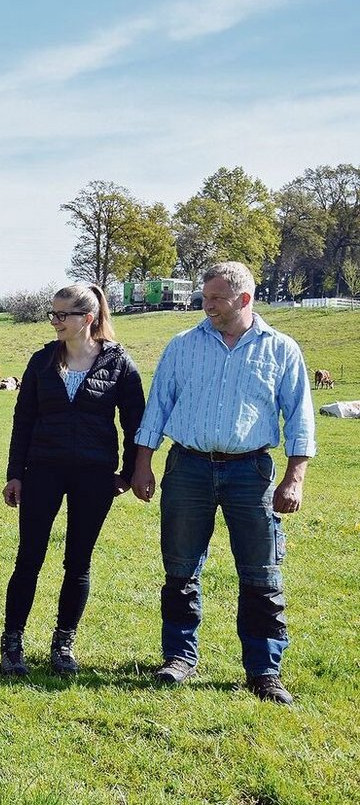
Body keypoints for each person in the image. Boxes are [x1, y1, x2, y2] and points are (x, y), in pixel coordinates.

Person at [131, 261, 315, 704]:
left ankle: (264, 671)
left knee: (261, 571)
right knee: (179, 568)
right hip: (187, 468)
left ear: (244, 299)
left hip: (250, 473)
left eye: (215, 298)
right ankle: (178, 658)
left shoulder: (281, 349)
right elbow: (158, 405)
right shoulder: (182, 345)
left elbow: (300, 416)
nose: (205, 304)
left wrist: (294, 479)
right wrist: (143, 463)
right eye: (204, 296)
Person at [0, 283, 144, 676]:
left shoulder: (119, 363)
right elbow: (23, 421)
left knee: (78, 563)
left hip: (94, 477)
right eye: (53, 314)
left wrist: (129, 473)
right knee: (29, 558)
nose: (55, 322)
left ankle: (63, 645)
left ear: (89, 318)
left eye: (62, 315)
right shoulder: (42, 361)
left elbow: (136, 423)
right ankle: (12, 645)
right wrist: (15, 474)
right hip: (41, 471)